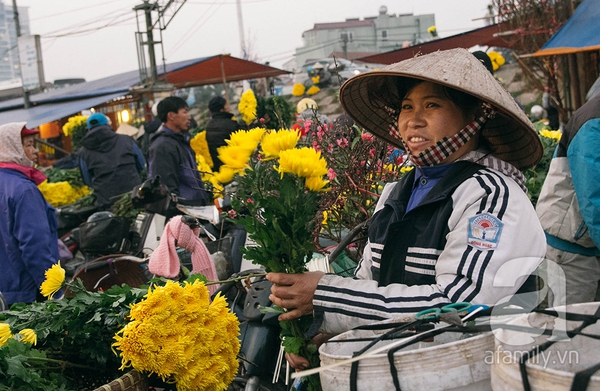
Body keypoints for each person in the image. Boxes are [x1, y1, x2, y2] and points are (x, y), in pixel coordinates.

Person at [267, 48, 546, 368]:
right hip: (401, 370)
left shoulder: (490, 197)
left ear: (474, 118)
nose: (413, 119)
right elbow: (369, 287)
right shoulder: (395, 195)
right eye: (406, 107)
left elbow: (458, 307)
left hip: (474, 372)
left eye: (432, 105)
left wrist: (327, 292)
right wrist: (320, 329)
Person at [536, 94, 600, 305]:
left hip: (588, 245)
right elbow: (594, 201)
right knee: (572, 330)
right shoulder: (594, 121)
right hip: (571, 250)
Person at [0, 122, 60, 305]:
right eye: (28, 145)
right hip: (26, 294)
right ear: (12, 148)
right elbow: (35, 247)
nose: (34, 151)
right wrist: (55, 293)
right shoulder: (23, 190)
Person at [148, 96, 208, 218]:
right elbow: (166, 189)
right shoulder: (163, 146)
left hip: (194, 212)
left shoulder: (180, 141)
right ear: (171, 116)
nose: (189, 116)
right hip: (182, 216)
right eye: (185, 112)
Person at [78, 113, 146, 208]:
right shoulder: (126, 140)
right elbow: (142, 165)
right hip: (135, 197)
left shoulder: (83, 152)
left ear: (88, 130)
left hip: (106, 203)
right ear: (108, 125)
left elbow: (87, 180)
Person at [205, 96, 244, 172]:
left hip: (219, 168)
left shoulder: (209, 126)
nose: (228, 107)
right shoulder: (230, 124)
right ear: (221, 109)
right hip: (233, 166)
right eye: (226, 105)